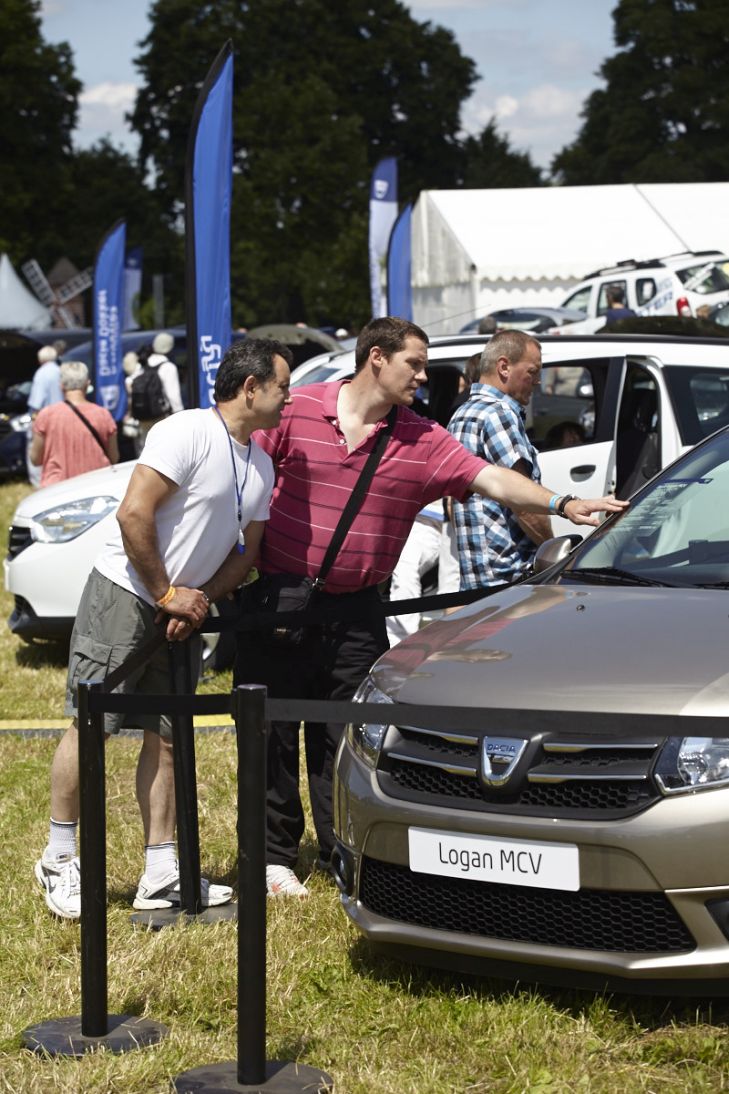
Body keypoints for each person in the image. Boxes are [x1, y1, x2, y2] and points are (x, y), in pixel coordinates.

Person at [234, 316, 627, 898]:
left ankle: (341, 848)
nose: (423, 375)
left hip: (357, 612)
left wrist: (564, 503)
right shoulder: (298, 409)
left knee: (344, 739)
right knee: (270, 732)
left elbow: (493, 479)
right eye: (414, 364)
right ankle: (272, 858)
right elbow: (242, 471)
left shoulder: (423, 438)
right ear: (376, 358)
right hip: (281, 600)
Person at [35, 338, 293, 920]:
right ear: (251, 388)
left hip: (180, 614)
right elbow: (134, 513)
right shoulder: (187, 432)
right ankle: (58, 857)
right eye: (283, 388)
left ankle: (160, 872)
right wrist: (167, 594)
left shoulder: (261, 462)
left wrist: (195, 604)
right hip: (126, 594)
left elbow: (246, 555)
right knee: (92, 726)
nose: (289, 399)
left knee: (170, 739)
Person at [448, 330, 554, 590]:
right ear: (504, 367)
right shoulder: (498, 414)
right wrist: (555, 553)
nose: (538, 381)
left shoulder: (462, 414)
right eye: (532, 372)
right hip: (511, 576)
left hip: (478, 575)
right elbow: (524, 502)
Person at [29, 361, 119, 486]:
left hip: (57, 488)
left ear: (61, 386)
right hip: (96, 486)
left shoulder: (46, 415)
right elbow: (113, 457)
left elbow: (35, 459)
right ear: (87, 384)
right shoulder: (103, 415)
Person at [129, 332, 184, 447]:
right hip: (161, 417)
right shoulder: (168, 367)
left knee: (146, 449)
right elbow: (174, 397)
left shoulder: (143, 364)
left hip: (142, 416)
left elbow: (130, 384)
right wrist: (180, 418)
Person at [26, 344, 63, 485]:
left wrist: (32, 420)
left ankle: (38, 484)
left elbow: (36, 402)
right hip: (62, 418)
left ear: (40, 359)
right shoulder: (60, 371)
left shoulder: (41, 374)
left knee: (36, 453)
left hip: (44, 420)